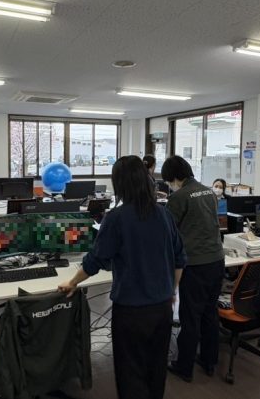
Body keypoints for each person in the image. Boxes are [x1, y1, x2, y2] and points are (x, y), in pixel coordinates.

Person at [59, 155, 185, 399]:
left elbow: (95, 260)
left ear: (120, 184)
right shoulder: (164, 214)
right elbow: (180, 259)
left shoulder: (116, 218)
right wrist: (171, 291)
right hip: (162, 309)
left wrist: (72, 282)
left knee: (131, 374)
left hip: (131, 312)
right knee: (156, 369)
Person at [161, 156, 224, 382]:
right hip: (217, 259)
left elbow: (167, 232)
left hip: (195, 263)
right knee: (210, 312)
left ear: (173, 177)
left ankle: (184, 366)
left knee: (190, 316)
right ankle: (209, 360)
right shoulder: (209, 192)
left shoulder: (178, 197)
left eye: (168, 181)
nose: (169, 185)